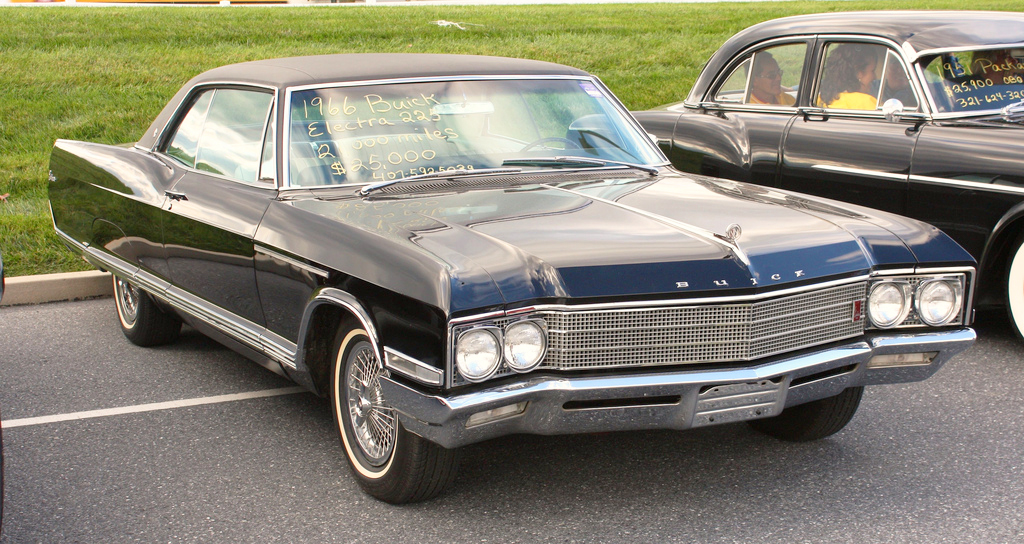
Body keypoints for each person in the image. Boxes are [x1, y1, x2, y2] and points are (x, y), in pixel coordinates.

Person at [819, 44, 879, 110]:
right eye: (872, 71)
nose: (875, 77)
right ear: (859, 73)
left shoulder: (820, 100)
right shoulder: (866, 103)